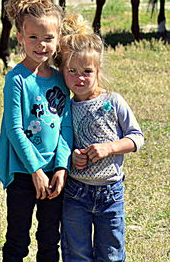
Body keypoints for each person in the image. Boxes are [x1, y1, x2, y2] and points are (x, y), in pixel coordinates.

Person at [57, 14, 144, 262]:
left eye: (87, 71)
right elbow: (63, 142)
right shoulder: (65, 107)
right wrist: (73, 156)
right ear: (62, 71)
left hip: (110, 193)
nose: (79, 78)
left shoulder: (113, 101)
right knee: (76, 253)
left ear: (98, 70)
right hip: (76, 193)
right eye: (71, 71)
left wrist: (110, 148)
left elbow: (136, 137)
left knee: (111, 254)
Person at [0, 0, 73, 262]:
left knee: (49, 241)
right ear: (19, 37)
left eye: (48, 38)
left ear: (58, 38)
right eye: (33, 38)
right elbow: (14, 129)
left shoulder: (60, 79)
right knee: (18, 239)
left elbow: (66, 127)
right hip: (22, 173)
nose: (41, 45)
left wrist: (61, 167)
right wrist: (35, 170)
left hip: (54, 173)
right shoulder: (16, 79)